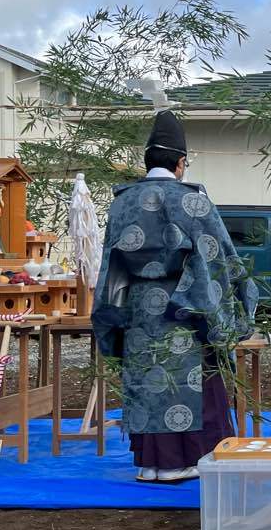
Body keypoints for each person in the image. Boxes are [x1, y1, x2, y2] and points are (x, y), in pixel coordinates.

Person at [92, 111, 259, 483]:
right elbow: (218, 259)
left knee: (147, 379)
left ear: (147, 160)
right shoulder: (192, 201)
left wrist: (112, 317)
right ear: (181, 163)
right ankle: (183, 460)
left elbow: (110, 266)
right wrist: (237, 301)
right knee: (189, 382)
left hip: (137, 309)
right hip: (183, 309)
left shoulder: (122, 202)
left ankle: (149, 463)